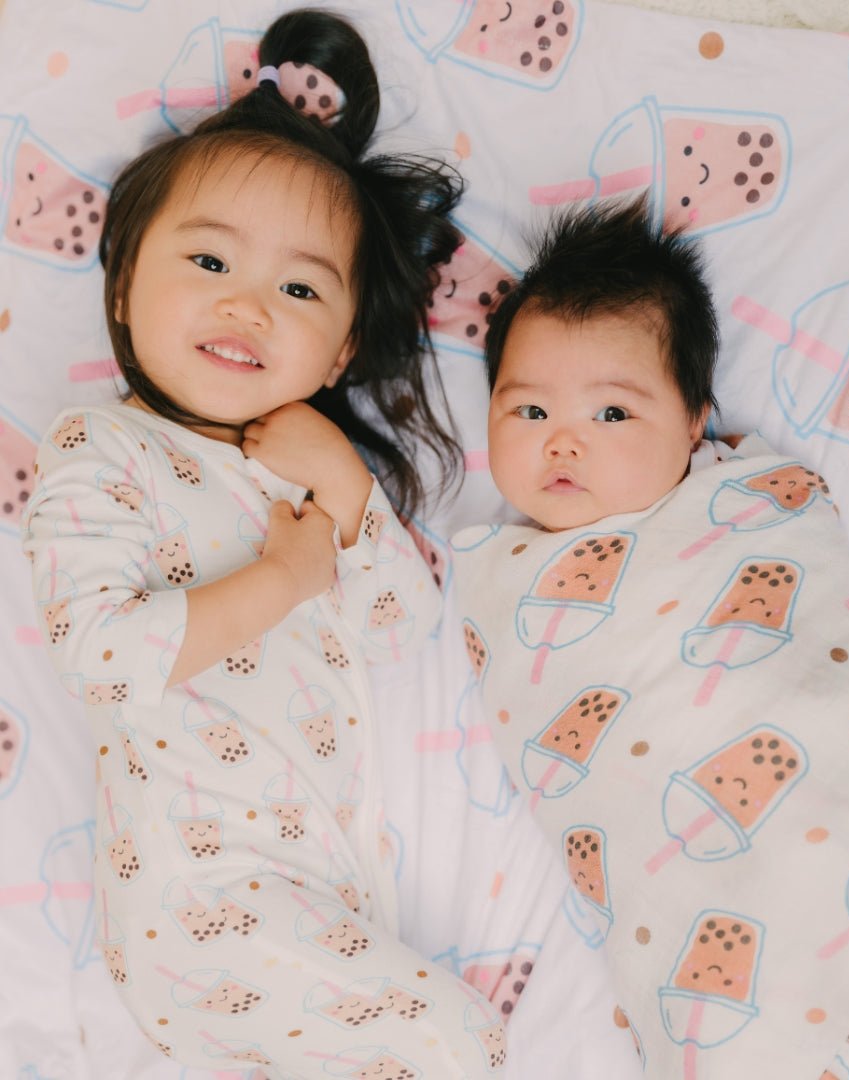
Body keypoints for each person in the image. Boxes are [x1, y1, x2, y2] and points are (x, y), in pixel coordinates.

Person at [450, 199, 849, 1078]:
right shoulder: (499, 586)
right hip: (691, 893)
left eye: (613, 415)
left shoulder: (752, 509)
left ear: (695, 420)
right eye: (529, 413)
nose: (566, 442)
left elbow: (822, 639)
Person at [21, 10, 507, 1078]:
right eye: (206, 260)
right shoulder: (101, 449)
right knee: (459, 1046)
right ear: (122, 287)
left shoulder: (304, 467)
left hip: (317, 889)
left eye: (298, 287)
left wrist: (343, 486)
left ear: (337, 348)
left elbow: (401, 626)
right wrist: (285, 574)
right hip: (199, 899)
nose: (247, 303)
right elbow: (102, 655)